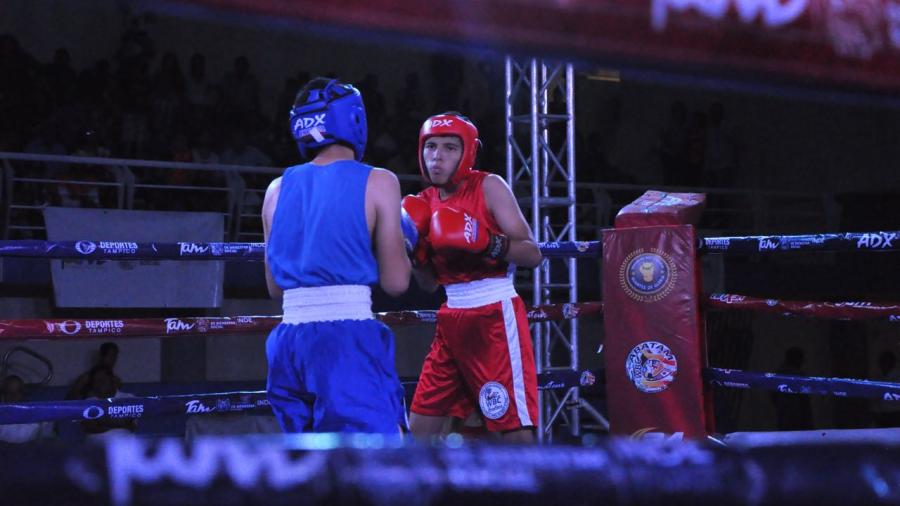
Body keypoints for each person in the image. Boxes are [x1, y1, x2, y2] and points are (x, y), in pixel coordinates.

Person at [262, 77, 412, 434]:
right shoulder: (380, 181)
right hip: (347, 341)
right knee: (372, 467)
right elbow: (396, 283)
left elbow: (274, 287)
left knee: (306, 470)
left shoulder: (275, 189)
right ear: (355, 120)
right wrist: (404, 243)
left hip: (287, 344)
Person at [402, 112, 543, 442]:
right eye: (431, 147)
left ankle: (538, 491)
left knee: (514, 432)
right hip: (451, 319)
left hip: (494, 316)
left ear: (468, 152)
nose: (437, 156)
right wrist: (418, 257)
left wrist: (487, 241)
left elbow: (532, 253)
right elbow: (428, 284)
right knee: (420, 430)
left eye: (450, 147)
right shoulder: (420, 204)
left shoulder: (489, 186)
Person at [0, 375, 54, 443]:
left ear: (23, 393)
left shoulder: (37, 413)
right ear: (3, 395)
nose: (14, 396)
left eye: (18, 391)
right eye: (9, 392)